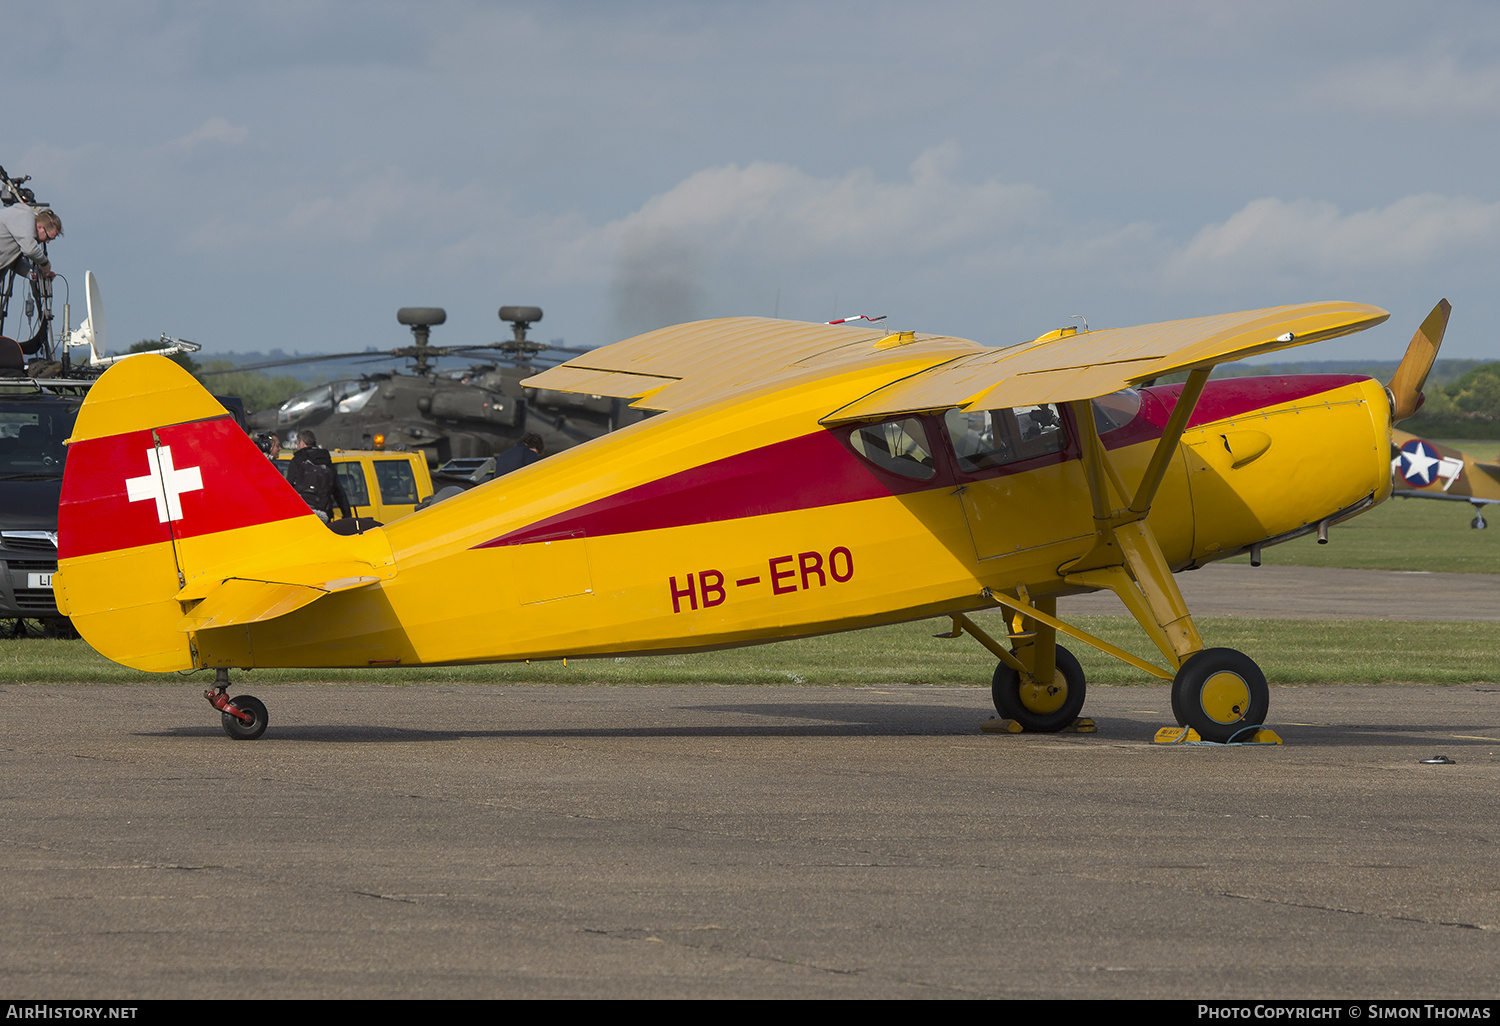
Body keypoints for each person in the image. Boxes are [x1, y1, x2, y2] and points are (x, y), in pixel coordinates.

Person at [286, 429, 352, 523]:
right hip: (324, 514)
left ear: (302, 443)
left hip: (303, 515)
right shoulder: (325, 459)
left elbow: (289, 488)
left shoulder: (298, 459)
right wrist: (347, 515)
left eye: (297, 444)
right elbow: (338, 490)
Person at [0, 206, 61, 280]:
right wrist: (45, 263)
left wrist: (39, 274)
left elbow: (14, 263)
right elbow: (30, 250)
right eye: (48, 237)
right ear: (40, 227)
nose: (47, 242)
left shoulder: (22, 236)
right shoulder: (24, 217)